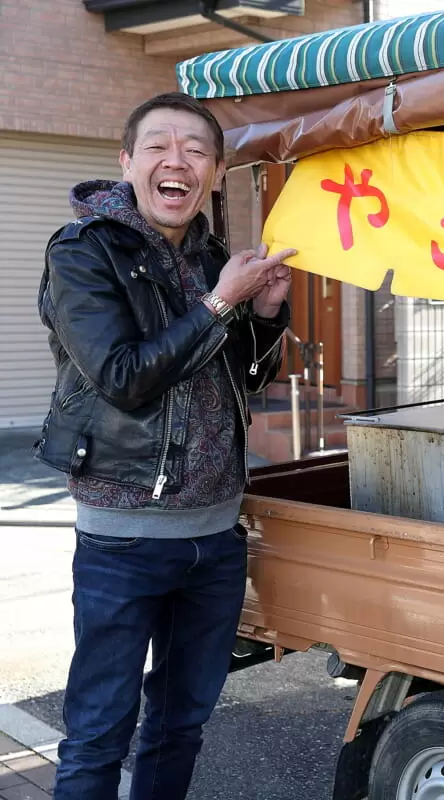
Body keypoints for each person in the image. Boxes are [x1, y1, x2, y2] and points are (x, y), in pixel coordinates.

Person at [34, 92, 298, 800]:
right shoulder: (84, 251)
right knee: (99, 732)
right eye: (157, 146)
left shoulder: (213, 255)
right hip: (123, 539)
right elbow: (123, 377)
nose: (175, 161)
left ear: (213, 171)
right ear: (127, 162)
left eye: (195, 150)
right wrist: (218, 303)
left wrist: (265, 315)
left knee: (181, 724)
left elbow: (241, 377)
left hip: (214, 537)